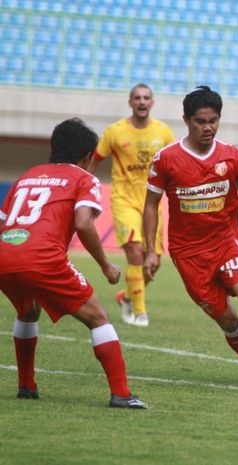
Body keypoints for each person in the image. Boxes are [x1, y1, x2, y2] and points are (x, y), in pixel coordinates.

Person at [142, 86, 238, 389]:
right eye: (200, 121)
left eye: (213, 120)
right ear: (186, 120)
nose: (207, 127)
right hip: (188, 254)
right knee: (228, 321)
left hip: (226, 241)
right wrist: (151, 250)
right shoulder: (166, 159)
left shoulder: (233, 155)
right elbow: (150, 206)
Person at [0, 118, 147, 408]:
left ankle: (27, 386)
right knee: (98, 318)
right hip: (43, 258)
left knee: (28, 312)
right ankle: (121, 394)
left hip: (5, 254)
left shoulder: (27, 176)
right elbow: (83, 223)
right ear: (88, 156)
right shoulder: (83, 178)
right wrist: (106, 265)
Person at [88, 83, 175, 327]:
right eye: (137, 98)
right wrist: (83, 188)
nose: (142, 101)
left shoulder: (164, 133)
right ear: (130, 102)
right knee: (136, 253)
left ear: (152, 103)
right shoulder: (114, 132)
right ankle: (139, 312)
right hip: (123, 199)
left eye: (146, 98)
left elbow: (175, 164)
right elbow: (95, 161)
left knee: (154, 261)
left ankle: (126, 296)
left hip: (152, 201)